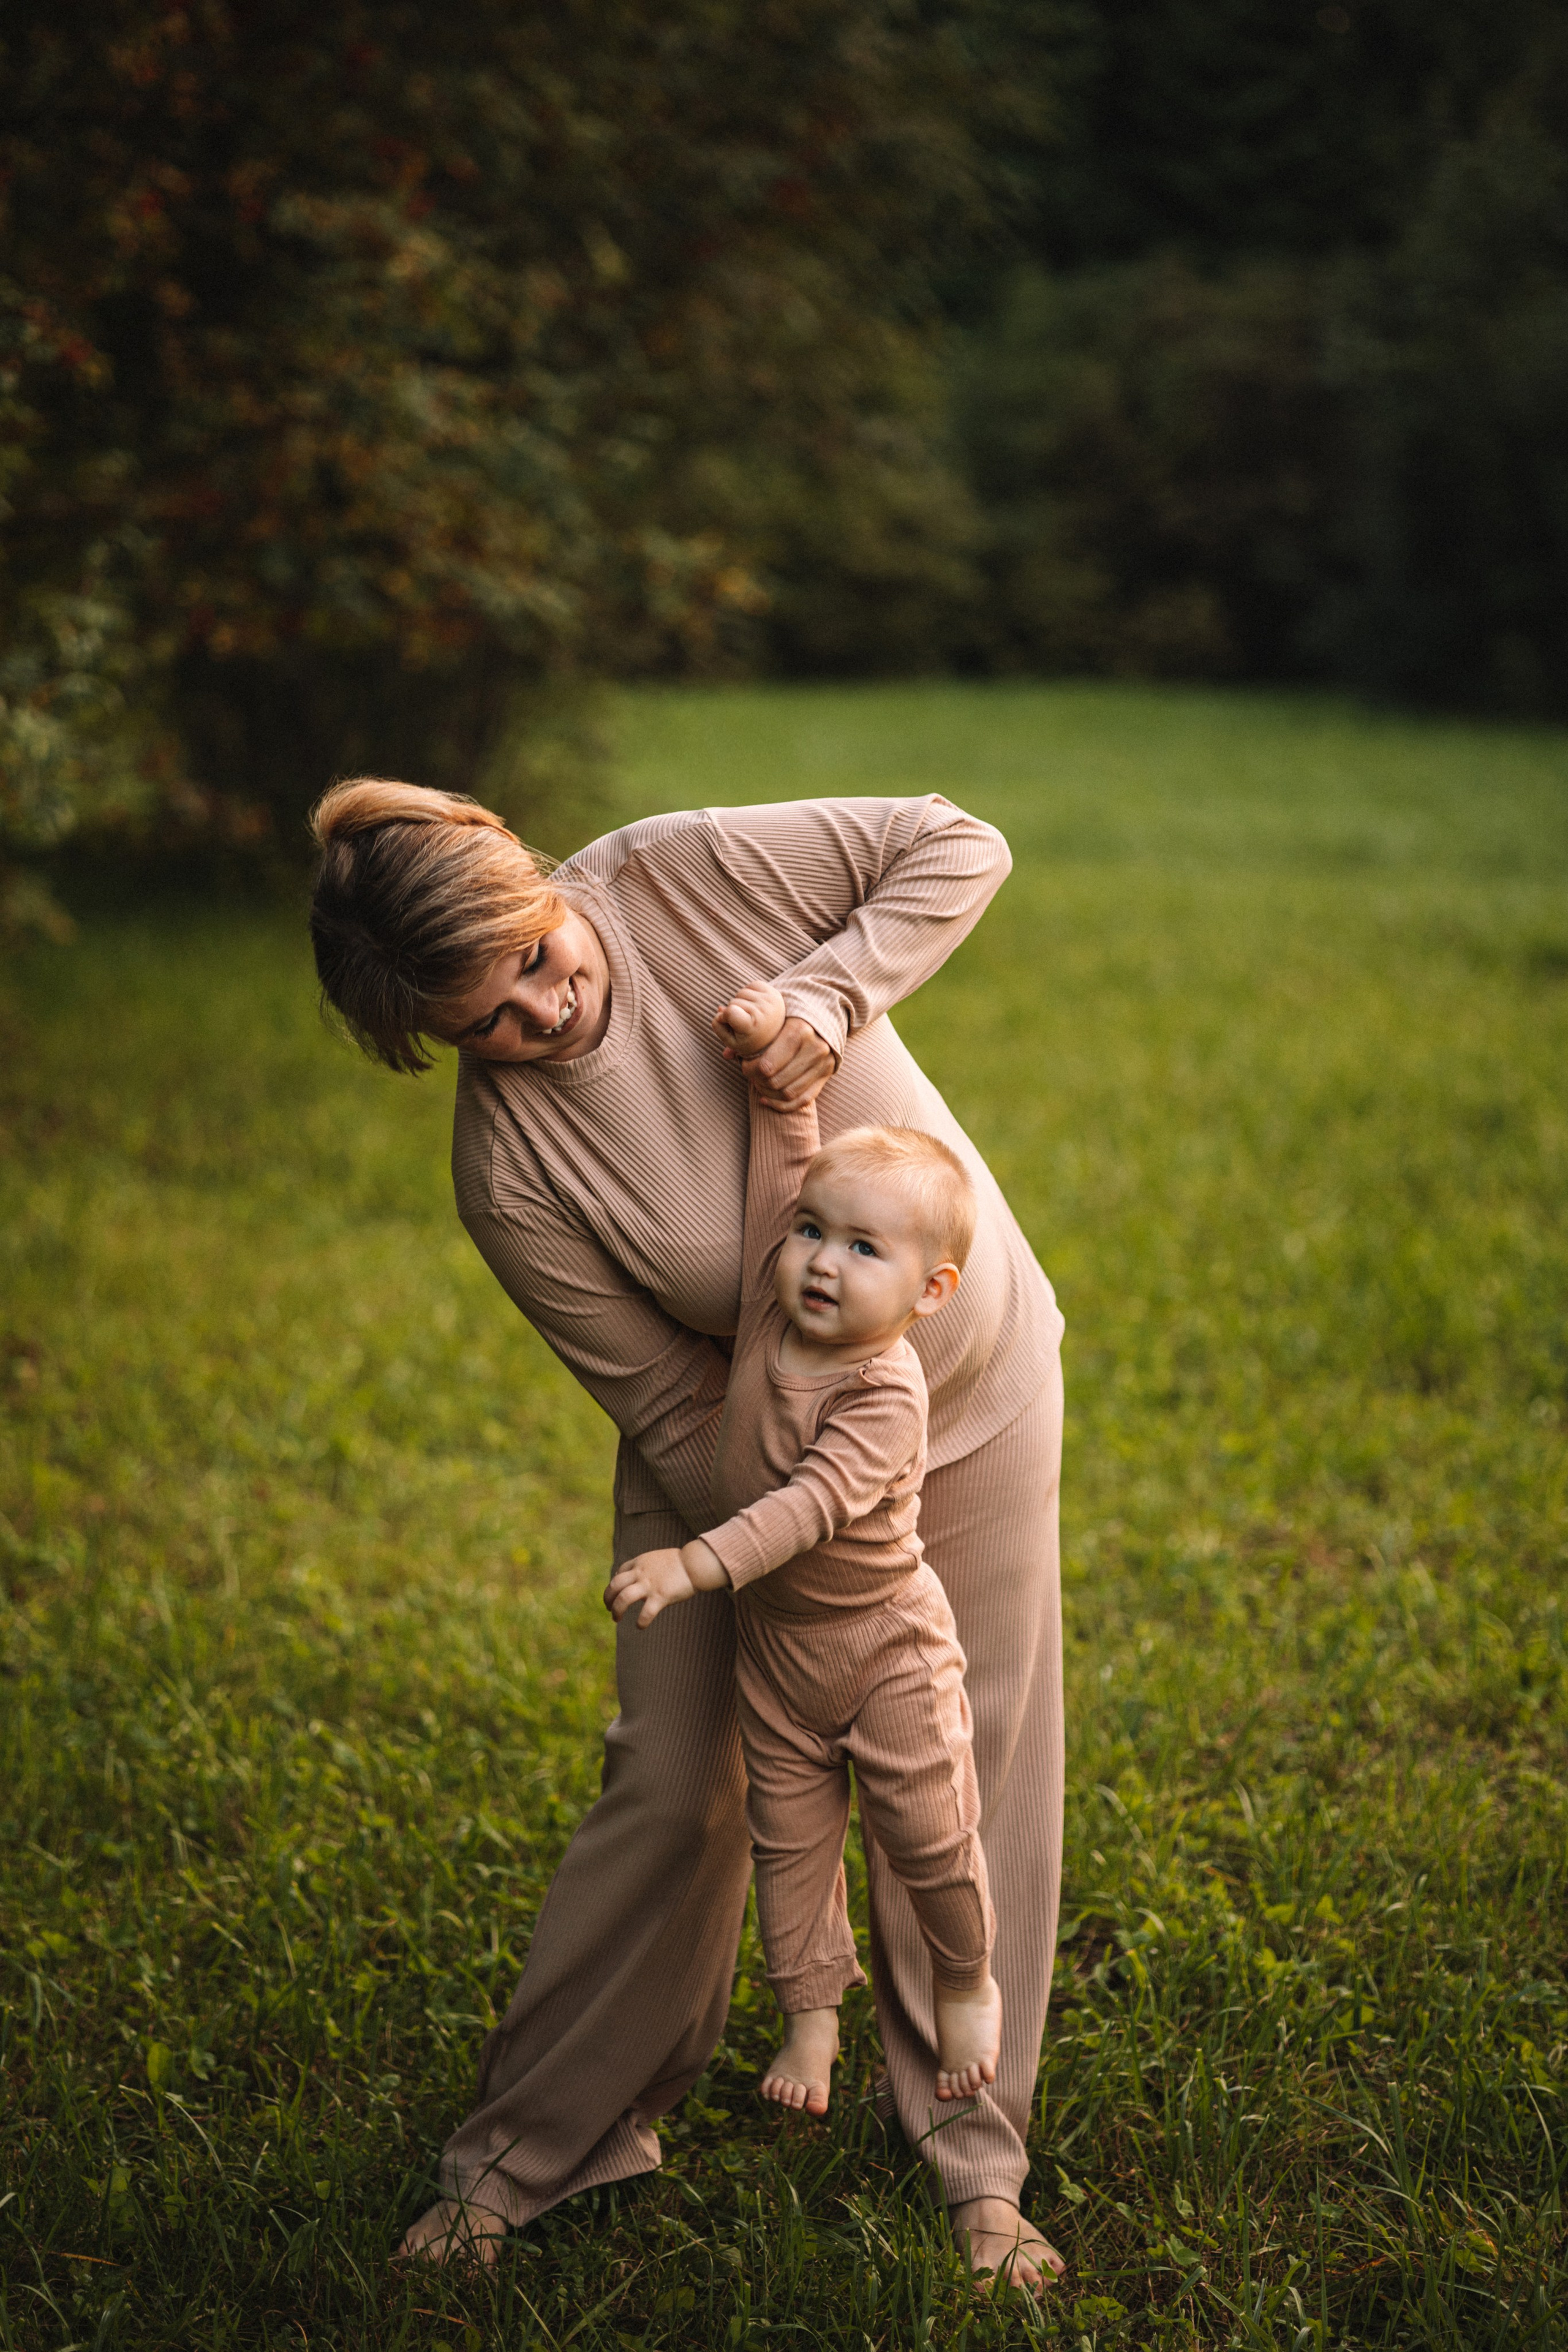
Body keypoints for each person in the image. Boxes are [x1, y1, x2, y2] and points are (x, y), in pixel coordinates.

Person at [307, 778, 1068, 2292]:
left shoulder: (678, 873)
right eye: (485, 1026)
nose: (544, 1012)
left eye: (536, 955)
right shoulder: (508, 1169)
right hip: (734, 1460)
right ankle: (538, 2146)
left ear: (537, 882)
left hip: (968, 1397)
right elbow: (662, 1404)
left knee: (964, 1752)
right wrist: (791, 1557)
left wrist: (826, 995)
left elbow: (957, 840)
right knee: (674, 1778)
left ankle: (977, 2162)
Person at [607, 981, 998, 2116]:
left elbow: (806, 1508)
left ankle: (966, 1977)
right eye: (816, 1239)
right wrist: (781, 1083)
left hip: (881, 1644)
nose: (822, 1262)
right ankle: (812, 2022)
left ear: (929, 1293)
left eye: (862, 1249)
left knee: (927, 1834)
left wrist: (692, 1564)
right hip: (777, 1654)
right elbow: (785, 1181)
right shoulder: (776, 1313)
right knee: (791, 1847)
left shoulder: (886, 1392)